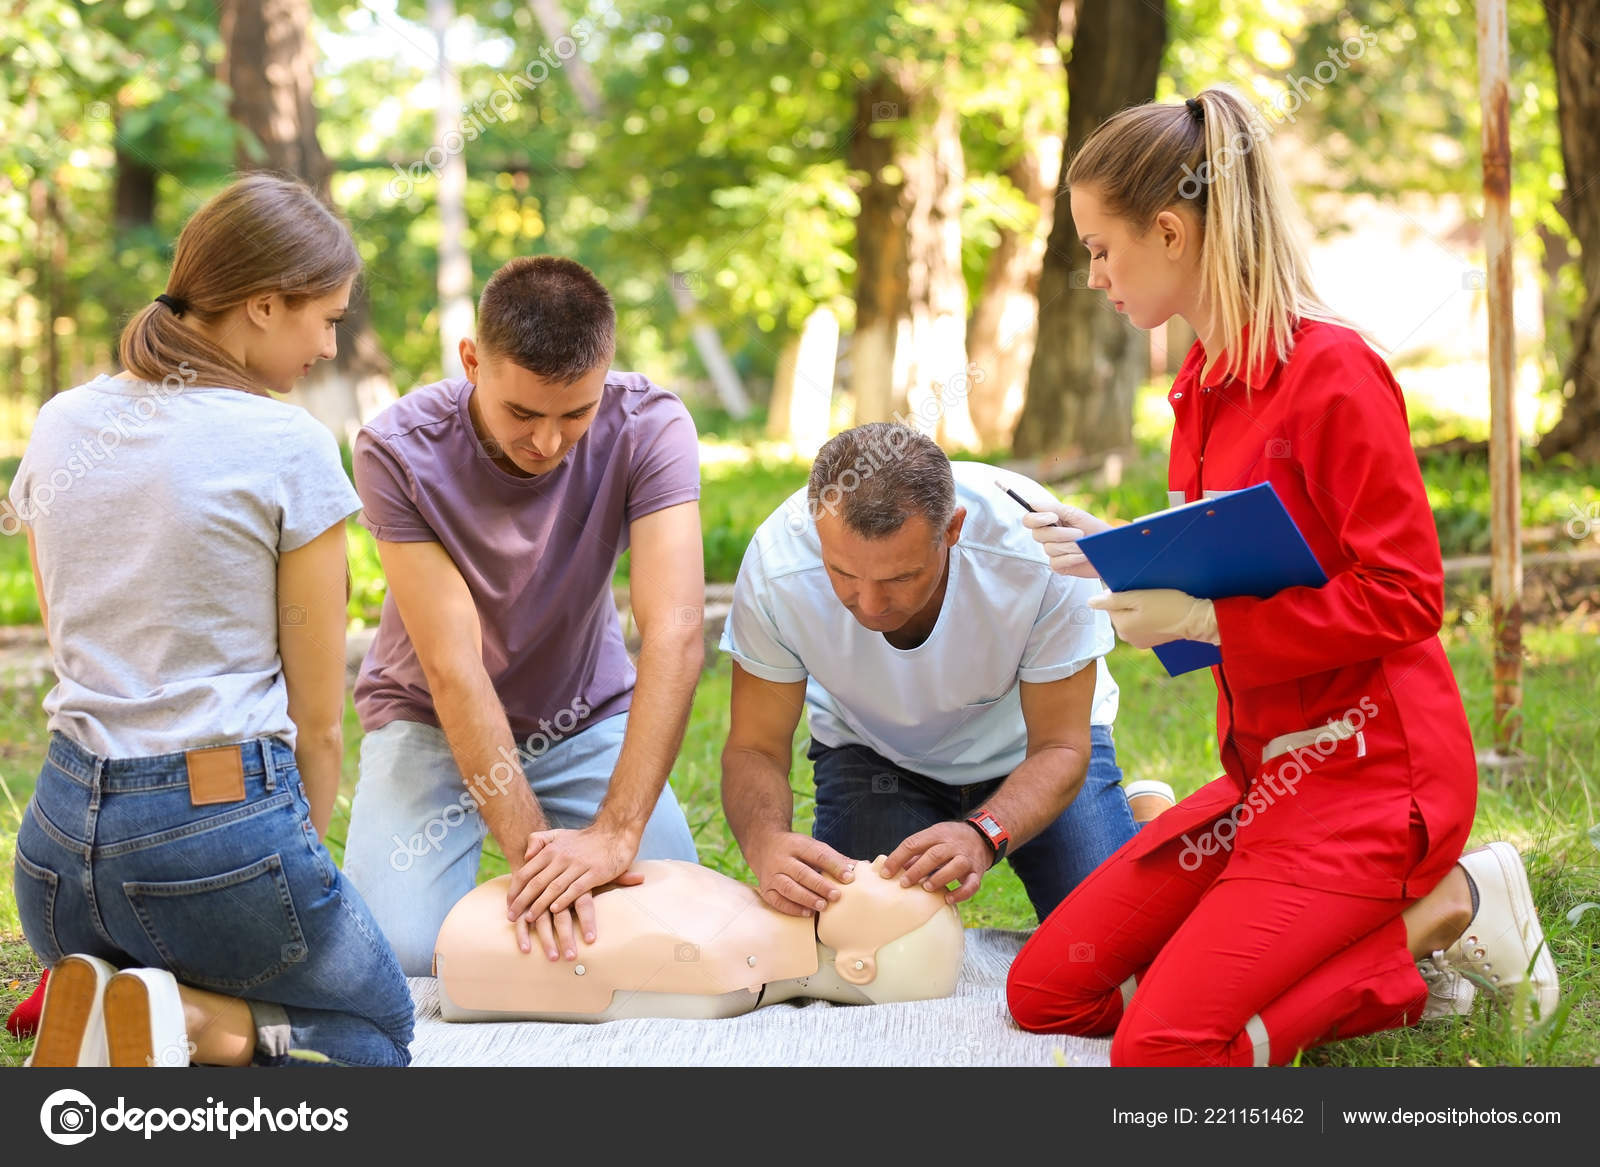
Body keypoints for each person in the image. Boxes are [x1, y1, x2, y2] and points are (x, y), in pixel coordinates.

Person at [1005, 87, 1560, 1065]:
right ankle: (1297, 953)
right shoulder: (1201, 386)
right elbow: (1252, 556)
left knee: (1161, 1055)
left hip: (1371, 787)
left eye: (1100, 249)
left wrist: (1205, 622)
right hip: (1262, 780)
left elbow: (1407, 595)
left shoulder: (1334, 371)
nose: (1093, 276)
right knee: (1046, 991)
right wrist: (1125, 552)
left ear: (1169, 231)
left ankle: (1448, 909)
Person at [8, 175, 414, 1067]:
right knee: (379, 1036)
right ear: (264, 304)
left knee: (198, 949)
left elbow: (69, 634)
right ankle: (182, 1015)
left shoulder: (62, 422)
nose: (330, 344)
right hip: (214, 846)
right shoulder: (286, 443)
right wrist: (290, 874)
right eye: (326, 318)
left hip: (57, 858)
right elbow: (317, 721)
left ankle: (112, 989)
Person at [341, 257, 703, 976]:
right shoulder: (396, 451)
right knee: (398, 955)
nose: (548, 443)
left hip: (584, 715)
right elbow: (453, 666)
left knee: (677, 930)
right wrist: (541, 865)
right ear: (471, 361)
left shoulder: (651, 426)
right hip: (429, 719)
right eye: (523, 413)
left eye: (576, 414)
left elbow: (676, 630)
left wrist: (615, 833)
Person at [720, 424, 1135, 926]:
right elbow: (755, 748)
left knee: (1115, 941)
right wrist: (766, 842)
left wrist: (984, 833)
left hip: (1031, 752)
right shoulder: (777, 566)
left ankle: (1144, 817)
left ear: (953, 530)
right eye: (843, 573)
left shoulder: (1040, 551)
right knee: (855, 941)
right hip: (876, 756)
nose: (870, 605)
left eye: (901, 576)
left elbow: (1061, 747)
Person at [430, 855, 964, 1022]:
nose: (882, 860)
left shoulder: (725, 969)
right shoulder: (736, 943)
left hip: (474, 938)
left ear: (856, 966)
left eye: (893, 891)